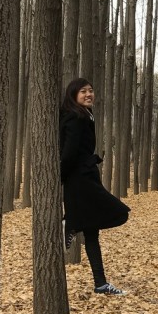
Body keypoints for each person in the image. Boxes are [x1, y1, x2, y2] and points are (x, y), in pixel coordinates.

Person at [59, 77, 129, 295]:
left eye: (91, 90)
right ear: (73, 95)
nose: (89, 94)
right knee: (119, 211)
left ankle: (100, 283)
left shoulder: (83, 115)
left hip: (85, 175)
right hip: (80, 178)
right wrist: (60, 178)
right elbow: (69, 152)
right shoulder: (76, 117)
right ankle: (69, 222)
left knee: (92, 232)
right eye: (83, 92)